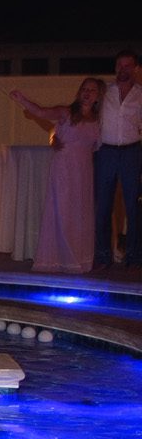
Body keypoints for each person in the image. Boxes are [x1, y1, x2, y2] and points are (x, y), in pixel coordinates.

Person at [10, 80, 103, 274]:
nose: (87, 93)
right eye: (84, 89)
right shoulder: (66, 112)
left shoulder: (99, 119)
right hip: (64, 166)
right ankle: (60, 258)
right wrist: (22, 100)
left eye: (91, 90)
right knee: (61, 209)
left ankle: (79, 258)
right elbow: (42, 112)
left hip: (84, 169)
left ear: (97, 96)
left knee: (81, 213)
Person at [93, 50, 142, 269]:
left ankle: (134, 256)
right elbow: (81, 110)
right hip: (106, 152)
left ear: (136, 68)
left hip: (132, 152)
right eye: (120, 66)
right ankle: (102, 255)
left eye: (128, 66)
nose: (124, 70)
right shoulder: (104, 92)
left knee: (134, 207)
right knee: (103, 206)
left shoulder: (141, 94)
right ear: (115, 68)